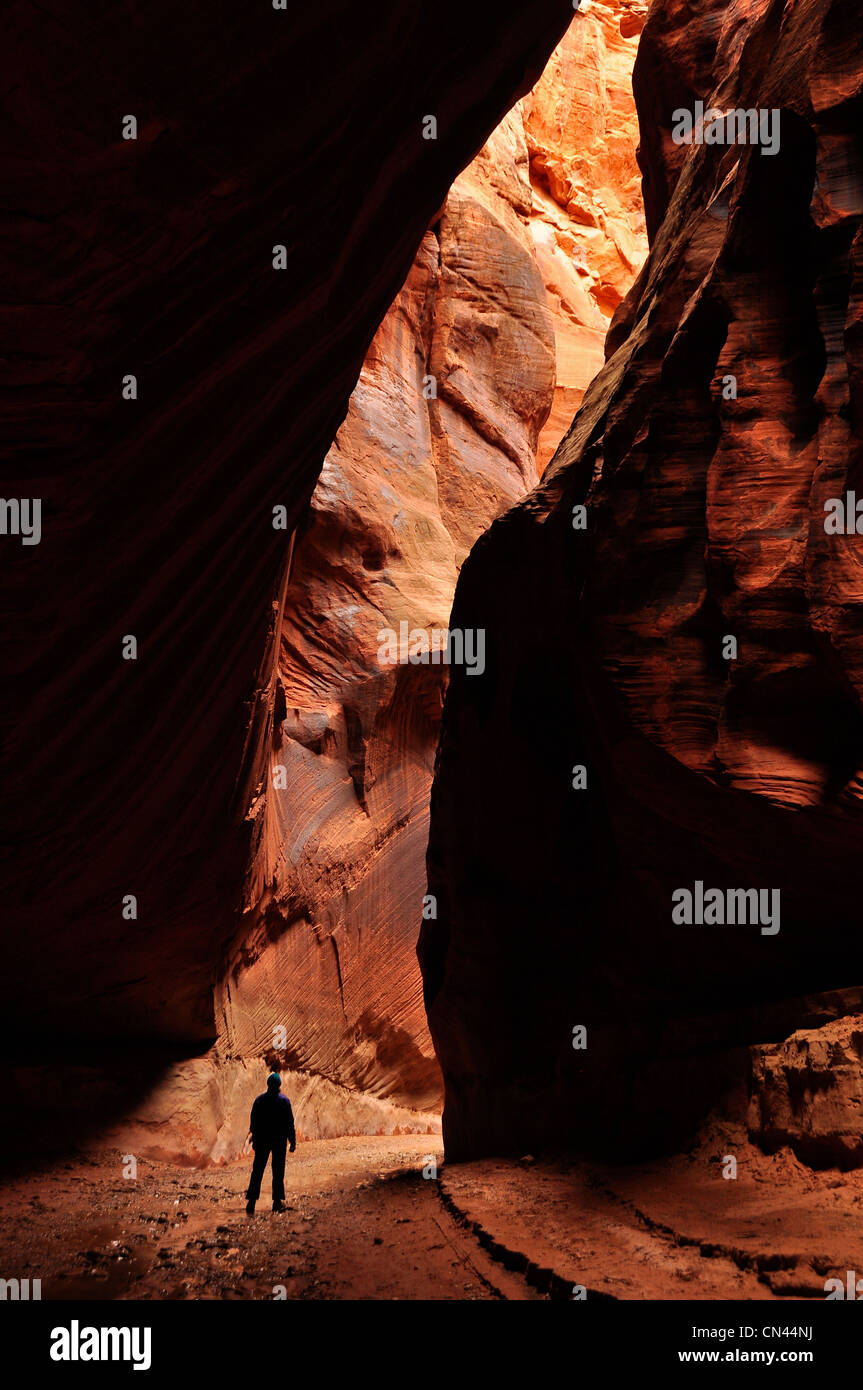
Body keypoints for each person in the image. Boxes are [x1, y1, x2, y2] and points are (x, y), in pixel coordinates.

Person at [245, 1073, 296, 1214]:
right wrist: (292, 1141)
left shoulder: (259, 1100)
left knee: (258, 1170)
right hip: (279, 1140)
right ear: (279, 1085)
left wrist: (254, 1138)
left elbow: (253, 1122)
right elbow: (289, 1123)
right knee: (278, 1171)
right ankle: (277, 1201)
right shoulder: (284, 1101)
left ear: (268, 1084)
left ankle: (252, 1201)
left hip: (262, 1140)